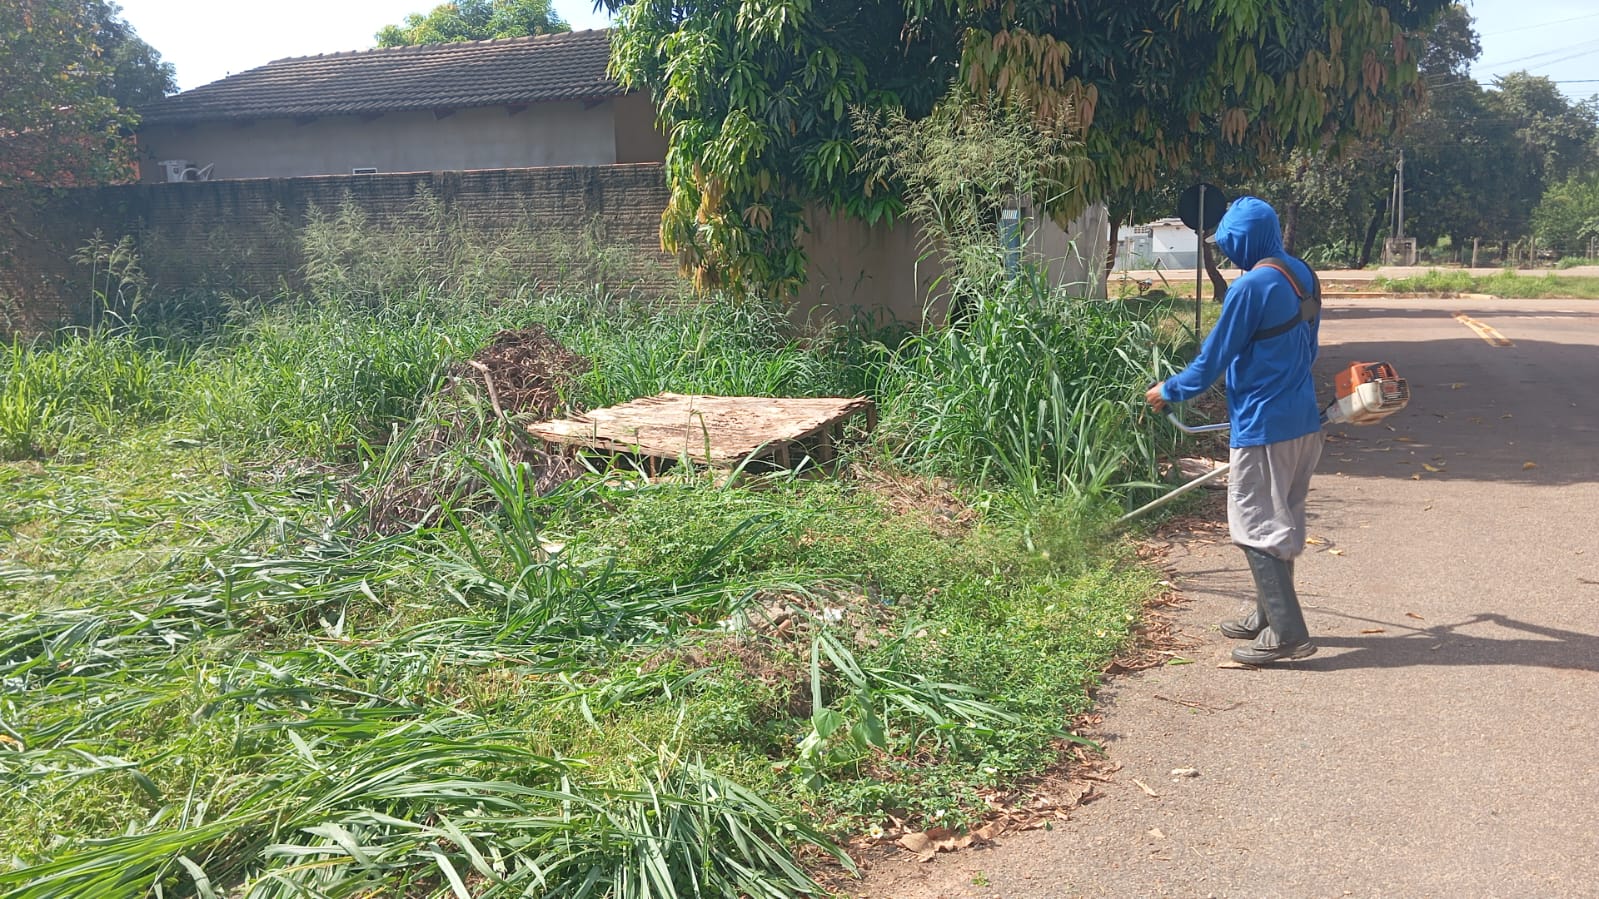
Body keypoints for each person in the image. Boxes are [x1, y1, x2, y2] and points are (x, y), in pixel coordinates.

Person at [1144, 196, 1322, 664]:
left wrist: (1168, 390)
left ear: (1244, 241)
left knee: (1255, 523)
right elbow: (1311, 348)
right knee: (1282, 518)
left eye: (1230, 245)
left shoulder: (1251, 288)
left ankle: (1289, 634)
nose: (1228, 254)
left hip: (1265, 426)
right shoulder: (1302, 274)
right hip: (1304, 422)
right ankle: (1266, 615)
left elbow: (1212, 361)